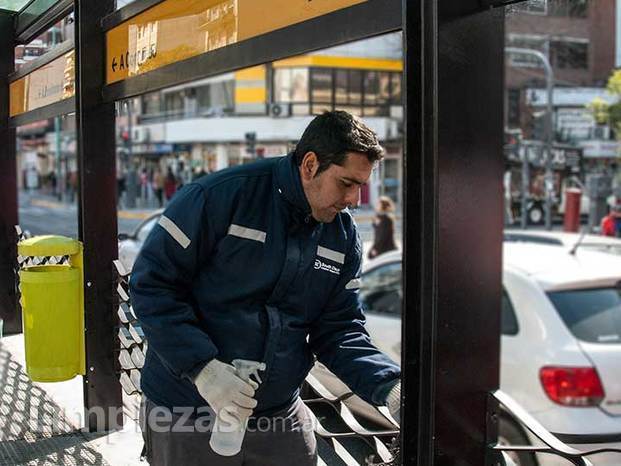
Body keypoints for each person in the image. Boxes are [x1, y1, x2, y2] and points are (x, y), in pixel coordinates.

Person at [130, 111, 401, 466]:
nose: (354, 198)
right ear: (309, 165)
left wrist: (390, 387)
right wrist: (203, 369)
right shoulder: (218, 197)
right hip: (186, 410)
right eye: (346, 183)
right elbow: (152, 286)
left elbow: (339, 329)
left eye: (361, 186)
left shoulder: (343, 236)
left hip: (278, 416)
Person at [368, 196, 398, 260]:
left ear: (383, 206)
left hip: (386, 250)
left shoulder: (386, 218)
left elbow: (382, 236)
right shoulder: (380, 217)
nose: (376, 205)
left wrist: (375, 248)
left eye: (378, 204)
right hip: (383, 249)